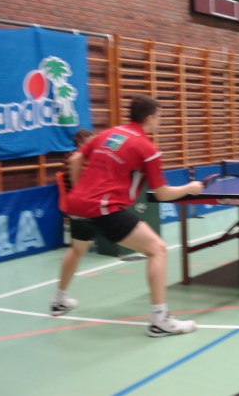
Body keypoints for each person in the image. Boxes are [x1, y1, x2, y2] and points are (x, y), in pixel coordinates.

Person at [50, 95, 204, 338]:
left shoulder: (107, 134)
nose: (160, 122)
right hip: (105, 208)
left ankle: (59, 300)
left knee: (77, 249)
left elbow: (77, 158)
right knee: (157, 250)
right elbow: (162, 194)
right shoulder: (147, 149)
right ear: (149, 118)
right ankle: (160, 320)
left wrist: (81, 190)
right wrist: (190, 188)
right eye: (159, 117)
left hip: (78, 203)